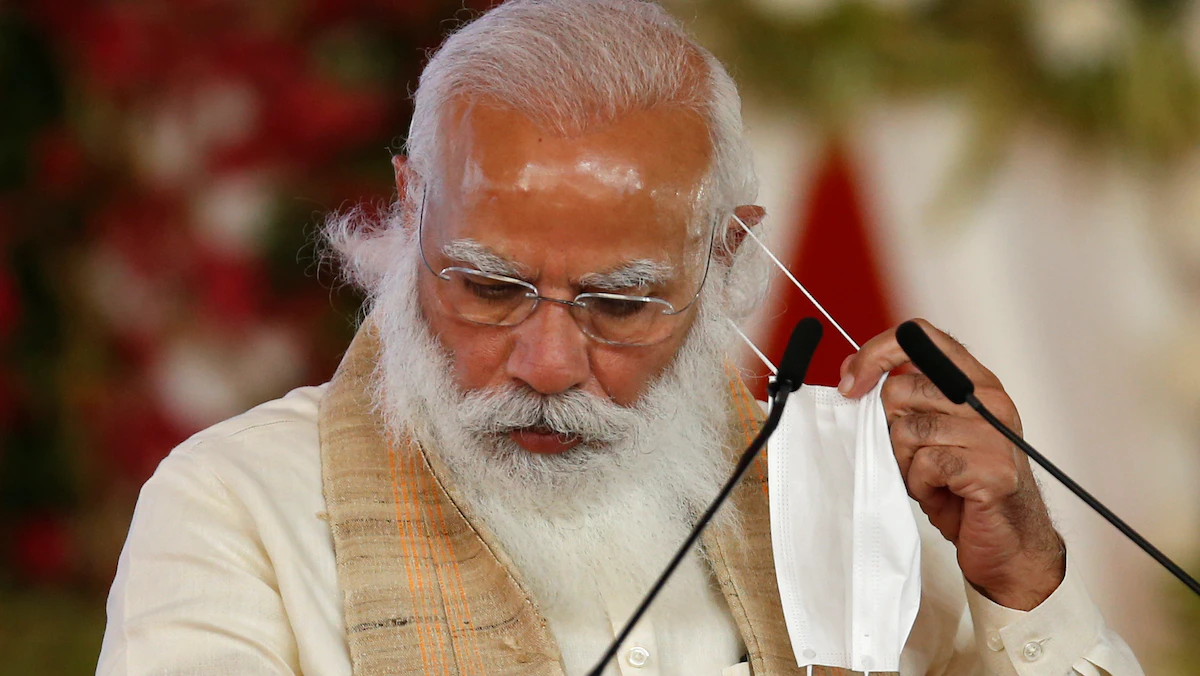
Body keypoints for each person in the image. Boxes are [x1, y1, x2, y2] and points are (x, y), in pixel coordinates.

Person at [97, 1, 1145, 674]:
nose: (548, 367)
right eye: (491, 289)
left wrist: (1023, 578)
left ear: (724, 257)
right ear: (414, 213)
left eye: (621, 305)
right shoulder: (239, 509)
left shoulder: (836, 500)